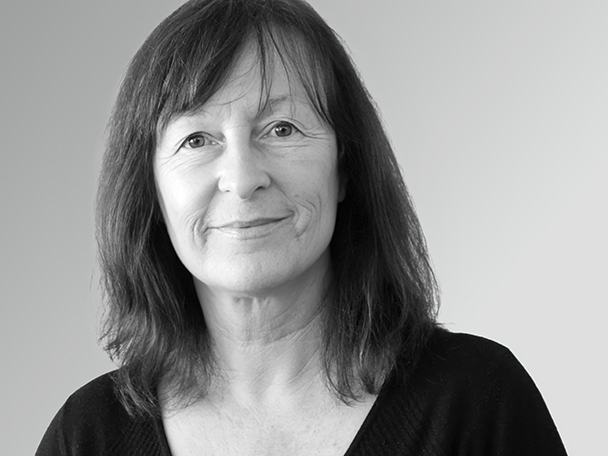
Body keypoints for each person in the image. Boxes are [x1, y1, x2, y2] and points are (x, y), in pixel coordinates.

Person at [36, 0, 567, 454]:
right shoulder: (87, 436)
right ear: (150, 190)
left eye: (282, 128)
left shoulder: (478, 402)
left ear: (345, 167)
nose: (242, 178)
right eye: (197, 139)